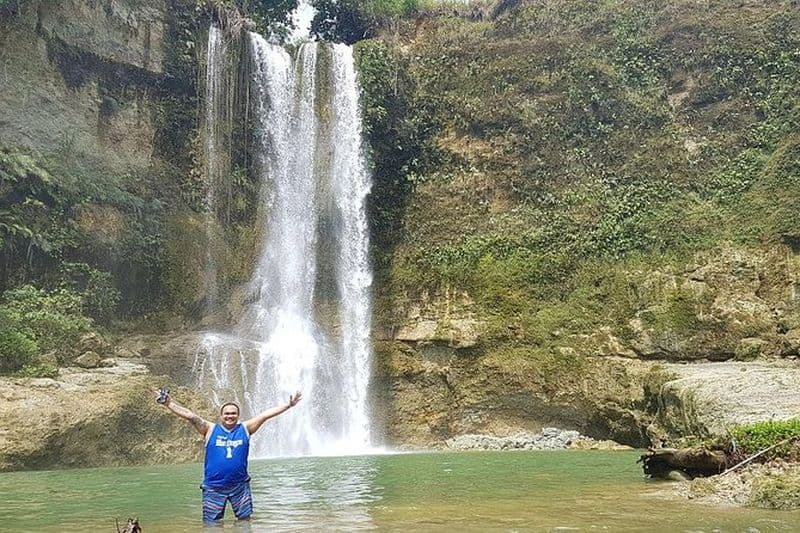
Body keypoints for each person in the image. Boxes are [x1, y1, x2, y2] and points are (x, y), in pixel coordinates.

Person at [156, 389, 302, 524]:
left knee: (244, 522)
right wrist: (169, 403)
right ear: (221, 416)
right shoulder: (210, 429)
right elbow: (191, 416)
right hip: (213, 487)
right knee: (212, 525)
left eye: (233, 413)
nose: (230, 416)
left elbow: (265, 415)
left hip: (240, 486)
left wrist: (288, 405)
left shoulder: (245, 428)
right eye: (227, 413)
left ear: (238, 415)